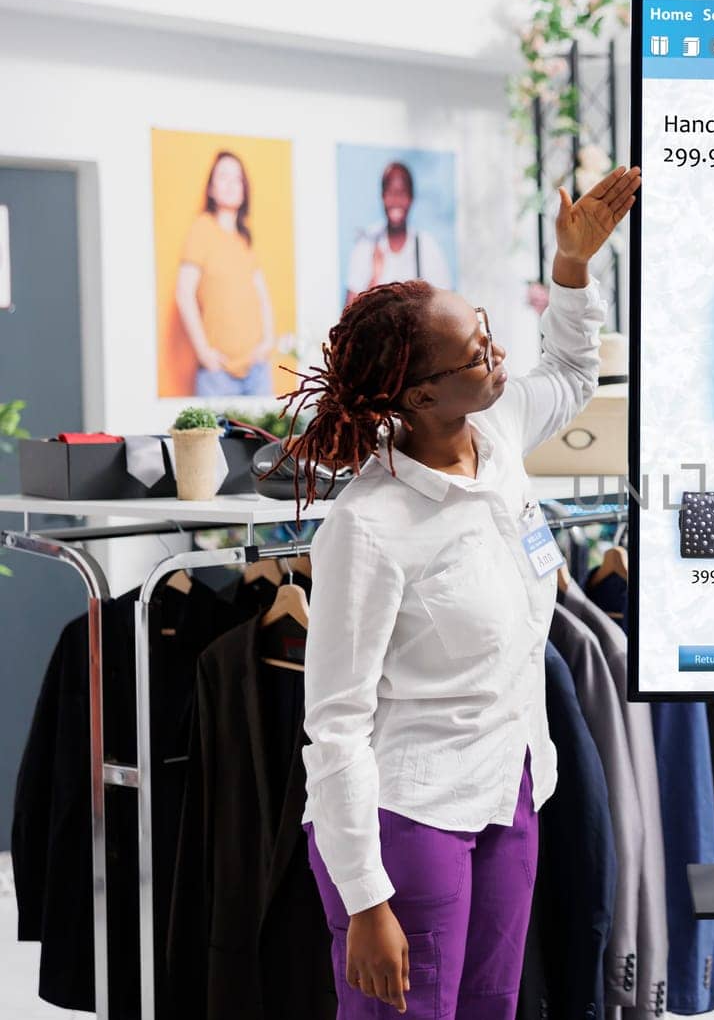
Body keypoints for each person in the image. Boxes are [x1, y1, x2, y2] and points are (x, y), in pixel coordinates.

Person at [280, 165, 641, 1018]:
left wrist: (573, 269)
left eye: (487, 331)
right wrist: (365, 897)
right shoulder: (370, 527)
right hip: (409, 821)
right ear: (418, 394)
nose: (496, 355)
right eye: (475, 351)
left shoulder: (496, 429)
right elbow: (334, 724)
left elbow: (572, 371)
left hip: (511, 790)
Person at [176, 150, 277, 396]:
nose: (231, 184)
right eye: (223, 176)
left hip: (257, 371)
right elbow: (183, 293)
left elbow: (262, 296)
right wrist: (204, 353)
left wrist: (267, 342)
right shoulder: (202, 229)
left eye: (237, 178)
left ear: (245, 189)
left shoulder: (245, 238)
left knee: (269, 435)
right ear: (210, 188)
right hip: (218, 375)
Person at [346, 161, 454, 307]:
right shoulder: (367, 243)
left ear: (411, 198)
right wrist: (374, 278)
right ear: (383, 196)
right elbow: (349, 315)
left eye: (402, 193)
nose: (396, 200)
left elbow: (447, 308)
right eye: (390, 193)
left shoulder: (426, 246)